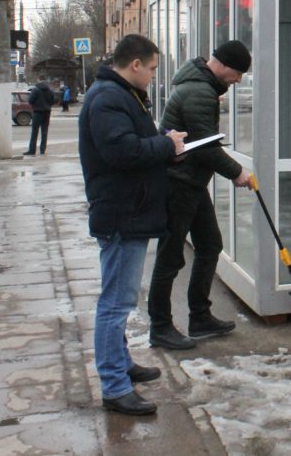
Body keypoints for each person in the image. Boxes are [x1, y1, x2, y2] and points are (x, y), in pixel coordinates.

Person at [78, 34, 187, 416]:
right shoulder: (109, 97)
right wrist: (167, 145)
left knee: (119, 300)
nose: (155, 76)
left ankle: (121, 365)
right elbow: (121, 151)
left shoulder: (121, 94)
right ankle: (114, 386)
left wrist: (166, 147)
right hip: (123, 214)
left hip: (129, 210)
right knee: (115, 303)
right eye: (153, 68)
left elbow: (136, 143)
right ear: (136, 64)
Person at [147, 40, 253, 350]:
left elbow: (201, 141)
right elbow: (206, 148)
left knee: (210, 245)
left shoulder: (202, 87)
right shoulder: (200, 92)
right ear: (223, 66)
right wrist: (238, 173)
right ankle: (160, 327)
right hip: (178, 183)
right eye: (237, 74)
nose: (237, 81)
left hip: (190, 182)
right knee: (170, 257)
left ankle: (200, 317)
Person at [24, 78, 55, 156]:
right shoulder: (49, 90)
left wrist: (35, 105)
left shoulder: (36, 90)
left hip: (37, 112)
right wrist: (48, 105)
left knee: (34, 132)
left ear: (38, 80)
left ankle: (32, 150)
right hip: (47, 112)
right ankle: (42, 150)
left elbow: (30, 100)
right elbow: (53, 100)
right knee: (44, 132)